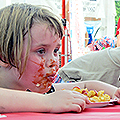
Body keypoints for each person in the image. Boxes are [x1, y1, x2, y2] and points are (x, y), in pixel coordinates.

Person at [0, 3, 120, 114]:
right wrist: (47, 102)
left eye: (56, 51)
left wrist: (115, 92)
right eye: (41, 51)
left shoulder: (30, 90)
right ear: (4, 56)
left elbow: (86, 86)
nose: (54, 62)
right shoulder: (38, 98)